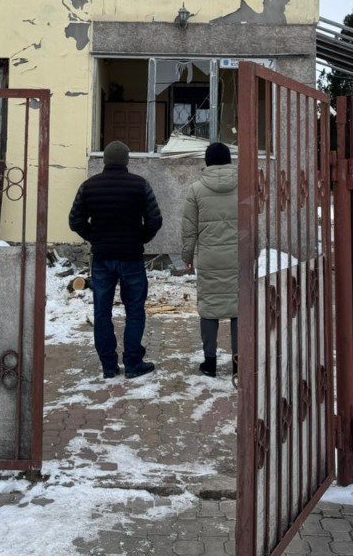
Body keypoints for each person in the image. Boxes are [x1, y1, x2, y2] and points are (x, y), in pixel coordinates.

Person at [69, 140, 162, 379]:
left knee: (102, 312)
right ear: (126, 160)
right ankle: (133, 363)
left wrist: (95, 238)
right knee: (135, 310)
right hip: (131, 256)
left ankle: (109, 366)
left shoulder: (89, 186)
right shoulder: (140, 185)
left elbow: (75, 221)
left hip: (102, 258)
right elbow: (155, 220)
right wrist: (139, 238)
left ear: (106, 160)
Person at [181, 141, 238, 378]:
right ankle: (239, 362)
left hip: (209, 257)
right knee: (238, 309)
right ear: (229, 161)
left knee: (209, 308)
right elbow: (253, 223)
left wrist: (187, 256)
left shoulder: (196, 189)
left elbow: (188, 229)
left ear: (207, 162)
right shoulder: (243, 185)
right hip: (237, 256)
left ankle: (210, 362)